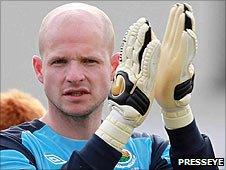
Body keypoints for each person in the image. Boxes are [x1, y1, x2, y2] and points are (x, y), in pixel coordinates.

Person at [0, 2, 218, 170]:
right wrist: (120, 124)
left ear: (114, 67)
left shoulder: (149, 151)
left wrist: (178, 115)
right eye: (59, 62)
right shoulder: (10, 148)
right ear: (39, 69)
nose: (75, 76)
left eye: (89, 61)